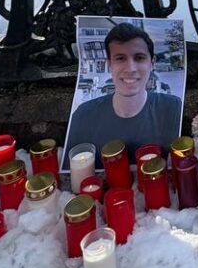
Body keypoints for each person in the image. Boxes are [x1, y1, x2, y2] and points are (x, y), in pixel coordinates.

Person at [63, 22, 183, 168]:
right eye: (120, 58)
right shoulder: (83, 115)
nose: (130, 69)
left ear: (152, 63)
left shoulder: (173, 108)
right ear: (109, 64)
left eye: (139, 58)